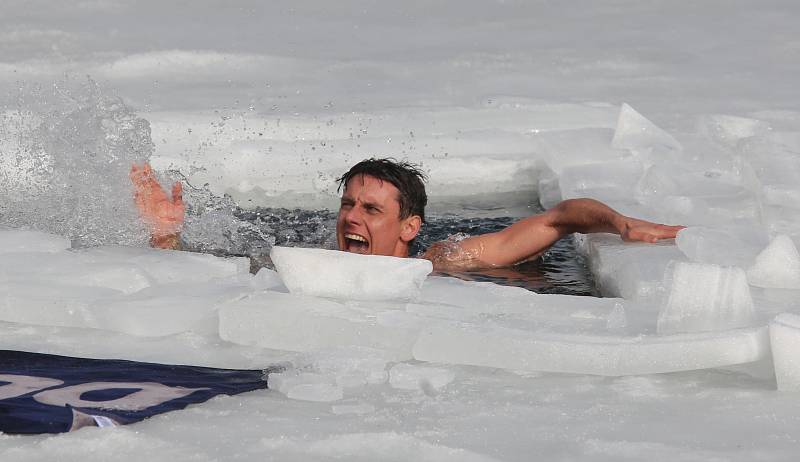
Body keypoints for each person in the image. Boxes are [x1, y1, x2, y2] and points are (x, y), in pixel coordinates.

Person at [130, 159, 683, 271]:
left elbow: (561, 218)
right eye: (348, 204)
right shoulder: (303, 264)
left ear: (410, 226)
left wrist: (618, 223)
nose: (352, 218)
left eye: (372, 209)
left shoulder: (445, 260)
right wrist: (165, 238)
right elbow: (201, 279)